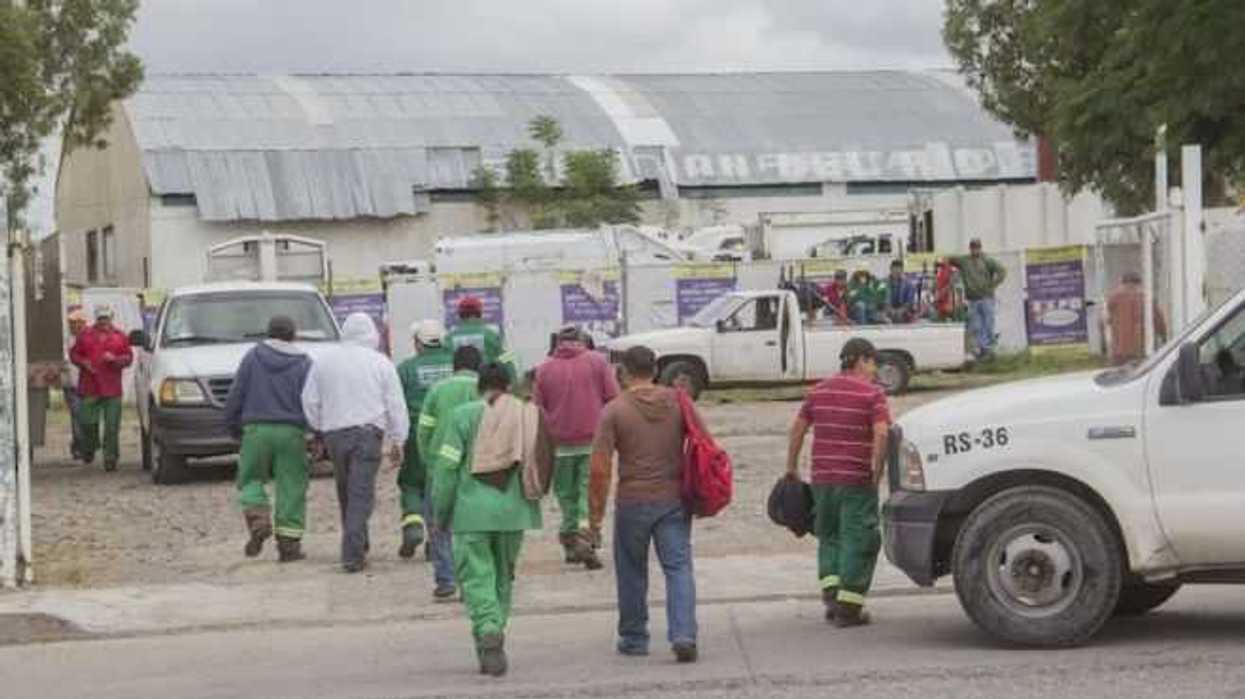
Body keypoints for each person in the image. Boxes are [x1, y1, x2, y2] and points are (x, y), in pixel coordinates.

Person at [589, 345, 703, 663]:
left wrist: (594, 517)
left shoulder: (614, 410)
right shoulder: (679, 402)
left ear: (623, 372)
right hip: (673, 499)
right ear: (655, 370)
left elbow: (599, 469)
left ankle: (635, 638)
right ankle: (683, 634)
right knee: (678, 567)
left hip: (632, 501)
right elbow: (704, 443)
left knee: (631, 571)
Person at [430, 363, 544, 677]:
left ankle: (488, 628)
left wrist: (441, 513)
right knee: (503, 577)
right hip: (515, 512)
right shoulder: (524, 413)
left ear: (479, 385)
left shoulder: (462, 416)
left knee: (477, 577)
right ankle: (495, 636)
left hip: (471, 513)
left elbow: (446, 471)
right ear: (509, 385)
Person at [784, 337, 891, 628]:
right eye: (873, 363)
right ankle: (849, 607)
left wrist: (791, 467)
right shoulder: (873, 395)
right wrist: (876, 472)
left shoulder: (818, 391)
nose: (874, 370)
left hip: (822, 480)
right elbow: (881, 434)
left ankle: (831, 594)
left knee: (829, 535)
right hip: (856, 481)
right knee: (860, 539)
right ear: (861, 360)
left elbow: (798, 429)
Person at [302, 312, 409, 573]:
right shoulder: (381, 363)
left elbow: (309, 400)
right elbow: (395, 404)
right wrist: (399, 438)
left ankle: (359, 545)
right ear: (371, 334)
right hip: (367, 435)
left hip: (335, 435)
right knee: (361, 493)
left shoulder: (323, 362)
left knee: (346, 491)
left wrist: (319, 427)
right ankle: (352, 554)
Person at [223, 316, 313, 563]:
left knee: (250, 479)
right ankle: (289, 546)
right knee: (291, 486)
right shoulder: (304, 362)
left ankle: (258, 518)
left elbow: (236, 394)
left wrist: (232, 427)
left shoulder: (253, 357)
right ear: (293, 335)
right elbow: (311, 400)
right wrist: (316, 433)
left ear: (268, 333)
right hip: (291, 432)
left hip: (256, 430)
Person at [533, 325, 620, 570]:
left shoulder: (544, 369)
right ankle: (585, 533)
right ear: (582, 341)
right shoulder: (598, 362)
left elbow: (538, 410)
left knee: (565, 494)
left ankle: (570, 539)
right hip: (593, 441)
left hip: (559, 446)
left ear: (558, 343)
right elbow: (613, 398)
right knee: (588, 491)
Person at [417, 344, 484, 600]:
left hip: (441, 468)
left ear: (453, 366)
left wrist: (430, 462)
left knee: (439, 525)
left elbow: (424, 431)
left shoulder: (437, 390)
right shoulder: (484, 390)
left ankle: (446, 579)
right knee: (470, 528)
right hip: (476, 469)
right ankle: (470, 582)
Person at [395, 320, 455, 560]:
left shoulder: (406, 369)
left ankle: (413, 524)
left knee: (411, 483)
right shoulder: (455, 364)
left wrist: (395, 439)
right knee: (443, 486)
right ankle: (437, 539)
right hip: (453, 438)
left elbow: (396, 405)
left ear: (418, 343)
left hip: (417, 437)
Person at [69, 304, 133, 472]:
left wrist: (115, 360)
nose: (103, 322)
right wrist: (83, 362)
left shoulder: (120, 336)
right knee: (86, 422)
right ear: (96, 319)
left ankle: (110, 458)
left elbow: (128, 358)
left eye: (106, 318)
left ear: (111, 318)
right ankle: (89, 447)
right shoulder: (85, 335)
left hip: (112, 389)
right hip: (90, 387)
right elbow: (74, 354)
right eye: (100, 319)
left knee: (112, 426)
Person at [952, 239, 1007, 359]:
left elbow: (1002, 271)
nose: (975, 250)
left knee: (988, 324)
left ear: (980, 248)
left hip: (986, 298)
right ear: (970, 248)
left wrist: (993, 285)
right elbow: (950, 260)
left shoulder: (987, 260)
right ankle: (980, 350)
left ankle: (989, 350)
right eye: (973, 247)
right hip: (972, 299)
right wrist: (943, 259)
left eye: (977, 247)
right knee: (975, 326)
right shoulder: (964, 260)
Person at [447, 295, 517, 382]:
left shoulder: (449, 338)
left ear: (460, 314)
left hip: (457, 384)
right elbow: (506, 359)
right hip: (486, 385)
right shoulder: (491, 335)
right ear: (480, 312)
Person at [1106, 272, 1168, 365]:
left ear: (1123, 282)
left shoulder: (1113, 297)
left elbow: (1106, 320)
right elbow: (1158, 320)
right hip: (1140, 348)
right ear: (1139, 283)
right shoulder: (1145, 297)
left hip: (1119, 350)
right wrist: (1164, 337)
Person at [62, 310, 89, 461]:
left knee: (86, 417)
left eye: (78, 322)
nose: (74, 325)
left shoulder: (89, 339)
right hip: (71, 385)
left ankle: (80, 445)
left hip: (88, 384)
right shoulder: (66, 341)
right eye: (72, 322)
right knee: (78, 414)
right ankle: (80, 446)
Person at [881, 260, 918, 324]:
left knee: (901, 316)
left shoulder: (909, 284)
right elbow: (881, 298)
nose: (896, 271)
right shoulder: (883, 283)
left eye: (899, 269)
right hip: (887, 309)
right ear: (890, 269)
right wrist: (889, 309)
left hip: (903, 309)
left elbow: (910, 301)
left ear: (902, 270)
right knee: (883, 317)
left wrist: (901, 310)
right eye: (894, 269)